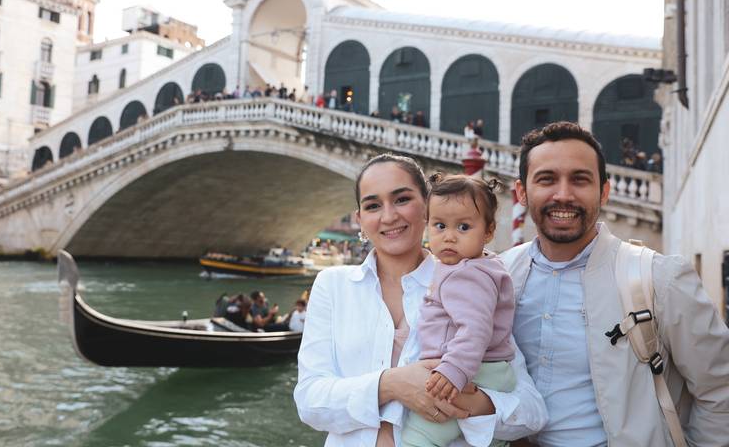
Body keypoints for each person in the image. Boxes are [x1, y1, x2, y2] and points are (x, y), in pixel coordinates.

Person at [295, 153, 548, 447]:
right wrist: (390, 385)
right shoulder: (332, 284)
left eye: (402, 199)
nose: (389, 216)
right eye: (373, 205)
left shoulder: (471, 280)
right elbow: (309, 402)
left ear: (427, 207)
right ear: (360, 220)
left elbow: (532, 412)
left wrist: (472, 404)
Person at [502, 121, 729, 446]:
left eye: (580, 179)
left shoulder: (659, 278)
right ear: (522, 192)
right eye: (547, 179)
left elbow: (719, 389)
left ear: (604, 191)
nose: (563, 194)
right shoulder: (498, 277)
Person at [402, 174, 516, 447]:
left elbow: (476, 329)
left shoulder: (464, 275)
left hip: (470, 372)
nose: (449, 237)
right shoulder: (483, 266)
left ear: (488, 232)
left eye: (463, 227)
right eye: (440, 226)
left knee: (418, 438)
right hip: (489, 371)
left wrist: (452, 370)